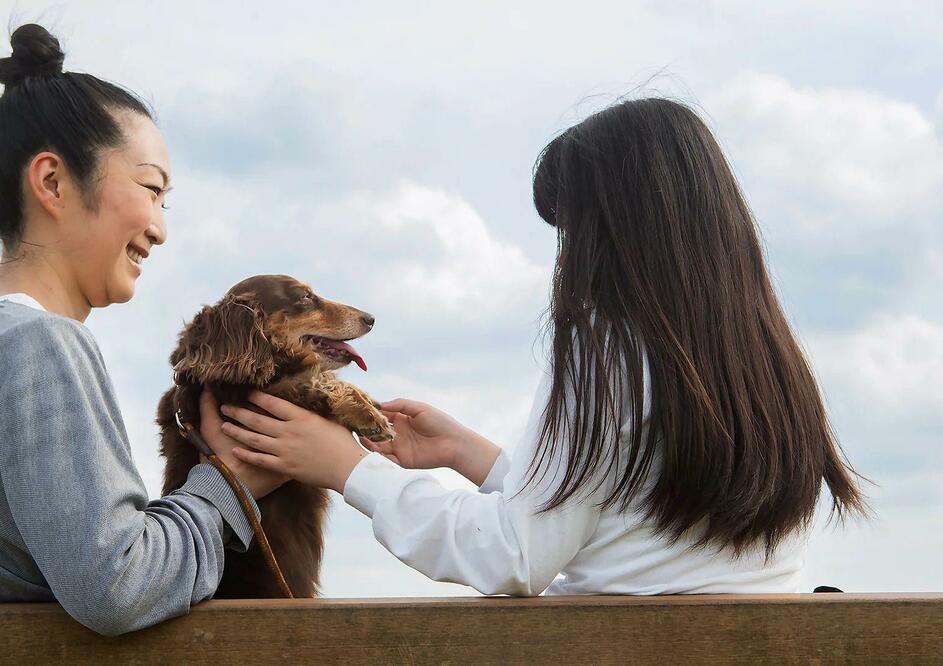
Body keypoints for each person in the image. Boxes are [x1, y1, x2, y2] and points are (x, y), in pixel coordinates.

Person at [215, 97, 869, 596]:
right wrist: (477, 459)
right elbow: (638, 524)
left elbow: (515, 559)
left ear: (613, 230)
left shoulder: (603, 350)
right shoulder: (764, 356)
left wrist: (348, 468)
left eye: (573, 227)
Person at [0, 24, 287, 635]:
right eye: (150, 188)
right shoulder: (41, 343)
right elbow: (116, 584)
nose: (160, 227)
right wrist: (227, 487)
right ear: (52, 182)